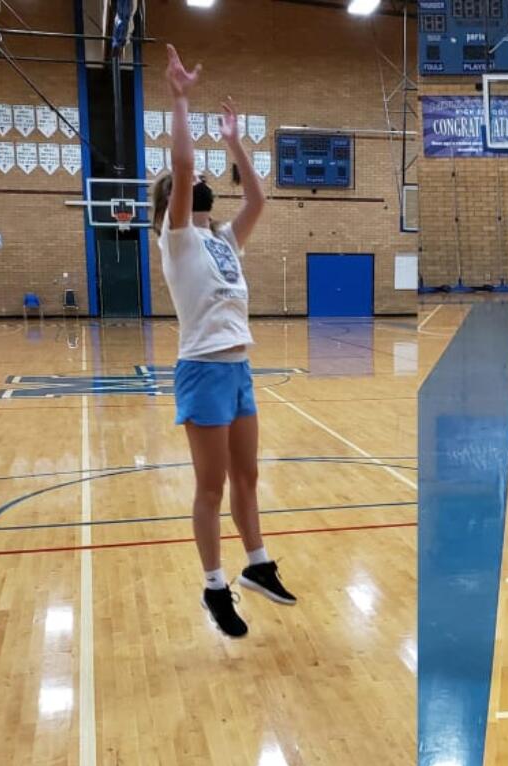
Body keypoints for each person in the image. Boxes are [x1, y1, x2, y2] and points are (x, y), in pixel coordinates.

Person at [154, 44, 295, 639]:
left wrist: (237, 143)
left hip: (238, 368)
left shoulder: (223, 240)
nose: (207, 183)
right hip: (204, 370)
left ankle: (257, 565)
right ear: (175, 205)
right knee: (210, 487)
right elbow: (184, 169)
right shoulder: (179, 236)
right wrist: (181, 101)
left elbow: (258, 199)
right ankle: (214, 588)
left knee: (247, 478)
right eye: (198, 183)